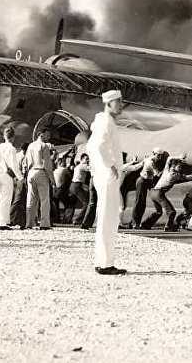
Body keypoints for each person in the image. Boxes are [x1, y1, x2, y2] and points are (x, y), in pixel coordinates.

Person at [87, 89, 126, 275]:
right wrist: (111, 166)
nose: (121, 105)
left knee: (106, 217)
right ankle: (105, 264)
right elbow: (99, 146)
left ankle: (102, 260)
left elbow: (92, 146)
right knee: (109, 218)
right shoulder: (105, 121)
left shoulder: (103, 121)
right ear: (109, 103)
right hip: (107, 175)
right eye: (118, 102)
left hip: (103, 174)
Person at [140, 154, 192, 231]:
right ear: (174, 166)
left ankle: (145, 225)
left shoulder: (166, 169)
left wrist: (178, 157)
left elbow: (169, 158)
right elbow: (187, 177)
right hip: (159, 194)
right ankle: (168, 227)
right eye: (179, 166)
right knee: (172, 212)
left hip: (153, 192)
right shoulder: (174, 175)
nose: (181, 168)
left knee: (158, 212)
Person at [25, 128, 55, 230]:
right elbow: (47, 164)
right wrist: (52, 179)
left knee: (31, 199)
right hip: (41, 172)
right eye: (47, 135)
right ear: (41, 135)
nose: (49, 137)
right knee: (44, 200)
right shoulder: (44, 146)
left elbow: (27, 162)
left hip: (31, 172)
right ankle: (45, 224)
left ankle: (29, 223)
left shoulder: (30, 145)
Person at [0, 126, 22, 230]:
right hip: (7, 176)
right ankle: (2, 223)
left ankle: (0, 220)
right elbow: (13, 165)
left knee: (2, 198)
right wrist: (20, 177)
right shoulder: (11, 148)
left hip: (0, 175)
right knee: (6, 199)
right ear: (13, 137)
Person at [130, 148, 164, 229]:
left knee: (157, 202)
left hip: (149, 182)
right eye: (158, 155)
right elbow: (158, 174)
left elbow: (137, 166)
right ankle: (135, 224)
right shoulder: (150, 162)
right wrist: (166, 167)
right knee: (140, 202)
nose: (159, 157)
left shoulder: (148, 159)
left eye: (161, 156)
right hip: (142, 181)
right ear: (153, 153)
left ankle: (144, 224)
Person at [10, 142, 30, 229]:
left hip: (15, 178)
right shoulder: (24, 157)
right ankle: (11, 218)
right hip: (21, 179)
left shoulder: (17, 155)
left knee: (17, 199)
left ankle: (18, 220)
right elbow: (24, 170)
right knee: (19, 200)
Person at [70, 153, 91, 225]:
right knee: (86, 203)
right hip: (77, 185)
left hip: (73, 185)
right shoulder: (83, 165)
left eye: (88, 158)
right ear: (82, 159)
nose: (88, 160)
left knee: (73, 203)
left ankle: (71, 219)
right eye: (86, 158)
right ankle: (77, 220)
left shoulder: (78, 166)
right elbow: (91, 169)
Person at [53, 156, 74, 224]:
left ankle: (56, 219)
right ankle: (67, 219)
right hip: (61, 190)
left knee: (56, 205)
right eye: (64, 162)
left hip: (54, 190)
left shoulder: (55, 171)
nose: (65, 163)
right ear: (61, 163)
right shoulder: (64, 170)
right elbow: (70, 176)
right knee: (69, 203)